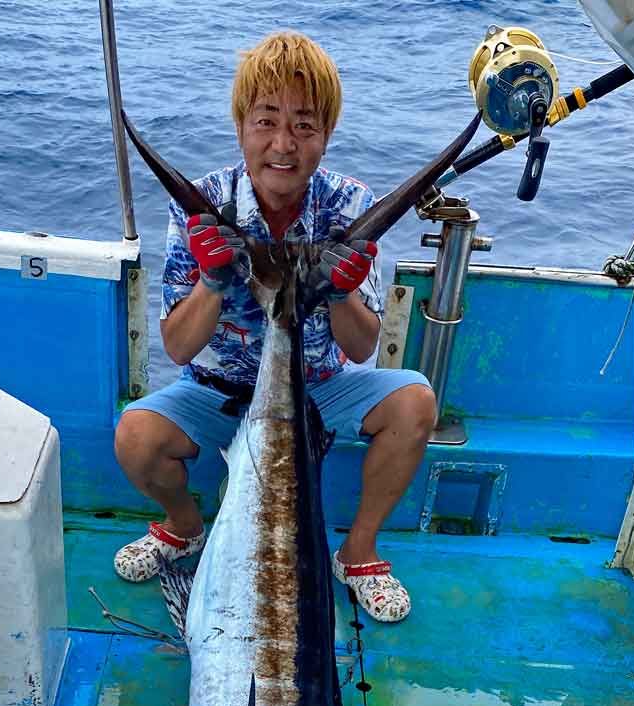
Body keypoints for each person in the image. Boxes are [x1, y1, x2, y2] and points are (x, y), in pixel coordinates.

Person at [112, 30, 438, 622]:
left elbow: (362, 349)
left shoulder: (348, 205)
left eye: (304, 126)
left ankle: (358, 552)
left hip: (321, 388)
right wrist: (212, 281)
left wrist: (338, 292)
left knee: (414, 402)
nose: (283, 144)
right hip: (217, 391)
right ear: (241, 126)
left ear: (326, 136)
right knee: (135, 436)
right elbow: (179, 344)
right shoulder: (202, 204)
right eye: (266, 122)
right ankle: (184, 528)